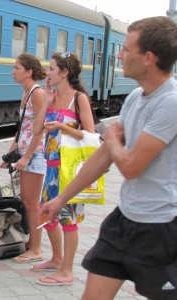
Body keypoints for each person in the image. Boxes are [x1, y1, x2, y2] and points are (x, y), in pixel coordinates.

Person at [40, 16, 177, 299]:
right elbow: (102, 159)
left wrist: (113, 141)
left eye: (126, 48)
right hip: (123, 220)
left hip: (161, 229)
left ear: (149, 57)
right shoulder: (137, 97)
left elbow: (131, 166)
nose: (119, 54)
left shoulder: (170, 102)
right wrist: (61, 199)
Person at [31, 52, 96, 285]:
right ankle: (56, 259)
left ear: (65, 72)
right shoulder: (52, 96)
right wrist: (47, 103)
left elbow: (90, 135)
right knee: (46, 213)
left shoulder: (79, 99)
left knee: (68, 220)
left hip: (69, 171)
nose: (47, 73)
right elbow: (37, 130)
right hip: (50, 168)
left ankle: (67, 272)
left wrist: (62, 127)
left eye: (51, 68)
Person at [1, 53, 51, 263]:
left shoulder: (37, 94)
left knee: (32, 204)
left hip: (35, 154)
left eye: (17, 68)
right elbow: (23, 129)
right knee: (27, 201)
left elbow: (41, 130)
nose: (13, 72)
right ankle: (32, 243)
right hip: (25, 153)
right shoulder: (27, 94)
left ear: (29, 72)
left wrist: (27, 156)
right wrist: (10, 153)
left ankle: (36, 249)